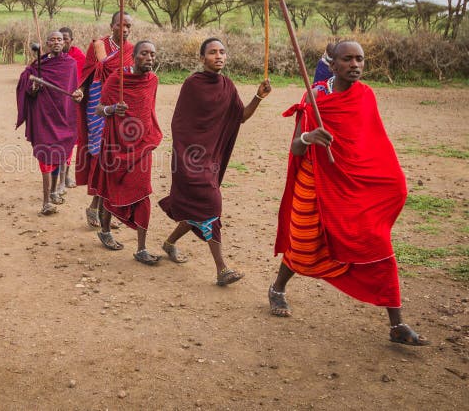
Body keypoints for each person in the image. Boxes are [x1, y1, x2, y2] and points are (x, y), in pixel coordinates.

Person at [268, 40, 428, 346]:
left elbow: (372, 144)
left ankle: (397, 324)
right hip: (315, 182)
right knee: (304, 242)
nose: (355, 65)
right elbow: (296, 147)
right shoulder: (316, 97)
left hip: (353, 187)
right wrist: (309, 136)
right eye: (347, 59)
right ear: (332, 64)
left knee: (377, 244)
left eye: (360, 59)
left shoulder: (365, 96)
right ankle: (277, 288)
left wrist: (389, 182)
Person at [159, 38, 271, 285]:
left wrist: (258, 97)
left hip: (211, 159)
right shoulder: (192, 84)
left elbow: (240, 116)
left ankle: (169, 242)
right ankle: (222, 269)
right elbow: (179, 123)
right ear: (202, 58)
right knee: (211, 204)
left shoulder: (227, 86)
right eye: (212, 52)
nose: (218, 56)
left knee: (197, 207)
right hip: (189, 157)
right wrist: (186, 154)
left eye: (222, 52)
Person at [90, 40, 163, 265]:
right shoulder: (117, 79)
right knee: (110, 189)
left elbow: (149, 111)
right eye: (144, 54)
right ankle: (105, 231)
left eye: (152, 54)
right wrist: (113, 109)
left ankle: (141, 248)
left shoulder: (153, 80)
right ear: (134, 56)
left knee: (143, 192)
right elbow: (99, 109)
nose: (149, 58)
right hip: (116, 144)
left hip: (142, 145)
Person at [76, 12, 134, 228]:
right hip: (98, 106)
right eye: (120, 25)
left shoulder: (132, 50)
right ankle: (98, 208)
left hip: (122, 108)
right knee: (102, 156)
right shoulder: (98, 46)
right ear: (112, 26)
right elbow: (88, 74)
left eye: (128, 26)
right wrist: (81, 90)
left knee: (115, 158)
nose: (125, 29)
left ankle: (100, 209)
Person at [16, 30, 83, 215]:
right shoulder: (38, 66)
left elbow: (74, 90)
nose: (56, 42)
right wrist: (34, 87)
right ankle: (46, 201)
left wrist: (79, 95)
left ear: (64, 42)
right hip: (44, 116)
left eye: (59, 39)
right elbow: (28, 89)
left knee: (60, 154)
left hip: (64, 116)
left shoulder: (70, 64)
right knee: (46, 156)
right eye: (52, 40)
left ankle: (54, 191)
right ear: (46, 44)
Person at [56, 26, 85, 192]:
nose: (62, 42)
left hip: (73, 106)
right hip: (55, 107)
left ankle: (64, 177)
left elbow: (86, 78)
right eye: (60, 39)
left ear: (71, 41)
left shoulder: (78, 57)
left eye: (65, 39)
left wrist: (80, 91)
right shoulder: (52, 58)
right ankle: (58, 178)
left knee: (68, 143)